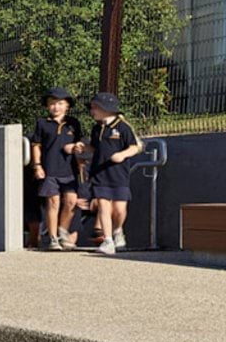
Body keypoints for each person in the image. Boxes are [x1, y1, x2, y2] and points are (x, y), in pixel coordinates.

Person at [75, 91, 143, 256]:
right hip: (99, 173)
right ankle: (108, 240)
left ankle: (118, 230)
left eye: (95, 107)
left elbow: (134, 147)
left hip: (119, 174)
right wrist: (84, 148)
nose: (92, 111)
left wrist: (122, 155)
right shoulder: (97, 128)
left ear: (107, 109)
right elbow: (95, 148)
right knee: (104, 207)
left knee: (119, 209)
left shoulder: (123, 127)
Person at [30, 88, 83, 251]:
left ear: (67, 106)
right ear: (47, 106)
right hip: (50, 169)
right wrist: (37, 165)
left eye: (60, 103)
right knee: (53, 202)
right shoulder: (42, 123)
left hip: (70, 170)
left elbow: (80, 143)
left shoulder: (74, 123)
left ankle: (62, 231)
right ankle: (53, 238)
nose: (56, 107)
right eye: (52, 104)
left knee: (71, 202)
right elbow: (36, 146)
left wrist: (76, 147)